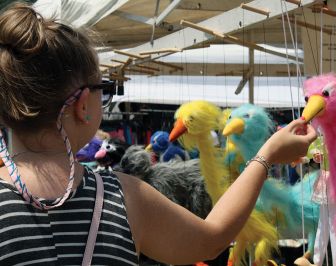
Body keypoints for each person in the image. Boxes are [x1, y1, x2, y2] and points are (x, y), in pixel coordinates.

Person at [0, 3, 317, 265]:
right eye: (103, 87)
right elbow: (210, 239)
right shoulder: (123, 198)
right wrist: (266, 156)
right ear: (83, 105)